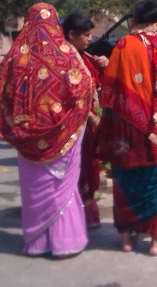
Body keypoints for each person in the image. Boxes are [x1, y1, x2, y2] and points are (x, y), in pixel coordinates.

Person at [0, 3, 94, 258]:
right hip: (62, 134)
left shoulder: (15, 57)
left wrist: (16, 122)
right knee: (62, 186)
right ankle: (65, 241)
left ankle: (37, 242)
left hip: (26, 138)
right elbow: (83, 88)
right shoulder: (66, 55)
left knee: (34, 186)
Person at [98, 0, 157, 256]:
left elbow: (113, 86)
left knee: (125, 183)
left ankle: (126, 240)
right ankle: (154, 242)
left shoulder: (125, 44)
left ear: (135, 20)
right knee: (155, 184)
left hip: (126, 129)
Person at [62, 14, 109, 229]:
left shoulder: (83, 56)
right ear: (71, 34)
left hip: (88, 121)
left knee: (89, 164)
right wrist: (90, 117)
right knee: (76, 167)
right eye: (86, 35)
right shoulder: (64, 59)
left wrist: (104, 65)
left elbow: (97, 81)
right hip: (73, 124)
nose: (90, 39)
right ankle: (73, 216)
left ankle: (86, 212)